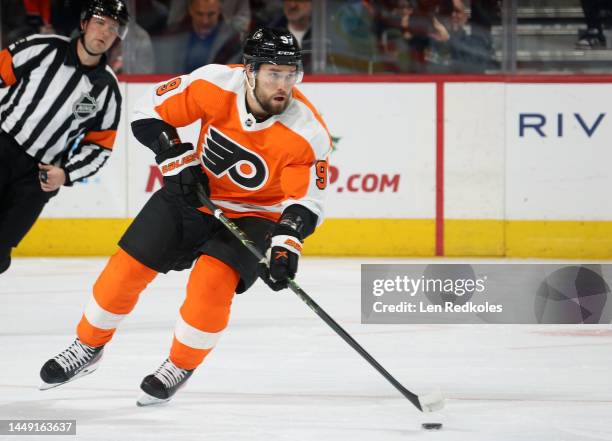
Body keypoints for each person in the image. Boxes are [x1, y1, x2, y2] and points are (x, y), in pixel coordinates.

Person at [39, 27, 331, 407]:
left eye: (291, 74)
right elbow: (148, 111)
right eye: (274, 73)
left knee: (209, 288)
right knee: (124, 271)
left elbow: (306, 201)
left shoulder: (307, 132)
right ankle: (88, 345)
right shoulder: (214, 83)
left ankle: (180, 365)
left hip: (253, 215)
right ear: (250, 71)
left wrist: (285, 247)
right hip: (193, 194)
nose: (283, 84)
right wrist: (175, 157)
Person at [0, 0, 127, 275]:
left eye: (113, 28)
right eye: (100, 23)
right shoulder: (41, 48)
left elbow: (99, 148)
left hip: (38, 176)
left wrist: (66, 174)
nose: (104, 32)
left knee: (0, 250)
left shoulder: (107, 90)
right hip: (3, 145)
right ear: (84, 24)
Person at [153, 0, 242, 74]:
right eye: (199, 14)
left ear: (219, 9)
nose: (205, 21)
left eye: (211, 14)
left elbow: (230, 75)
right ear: (190, 10)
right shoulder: (175, 35)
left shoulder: (232, 40)